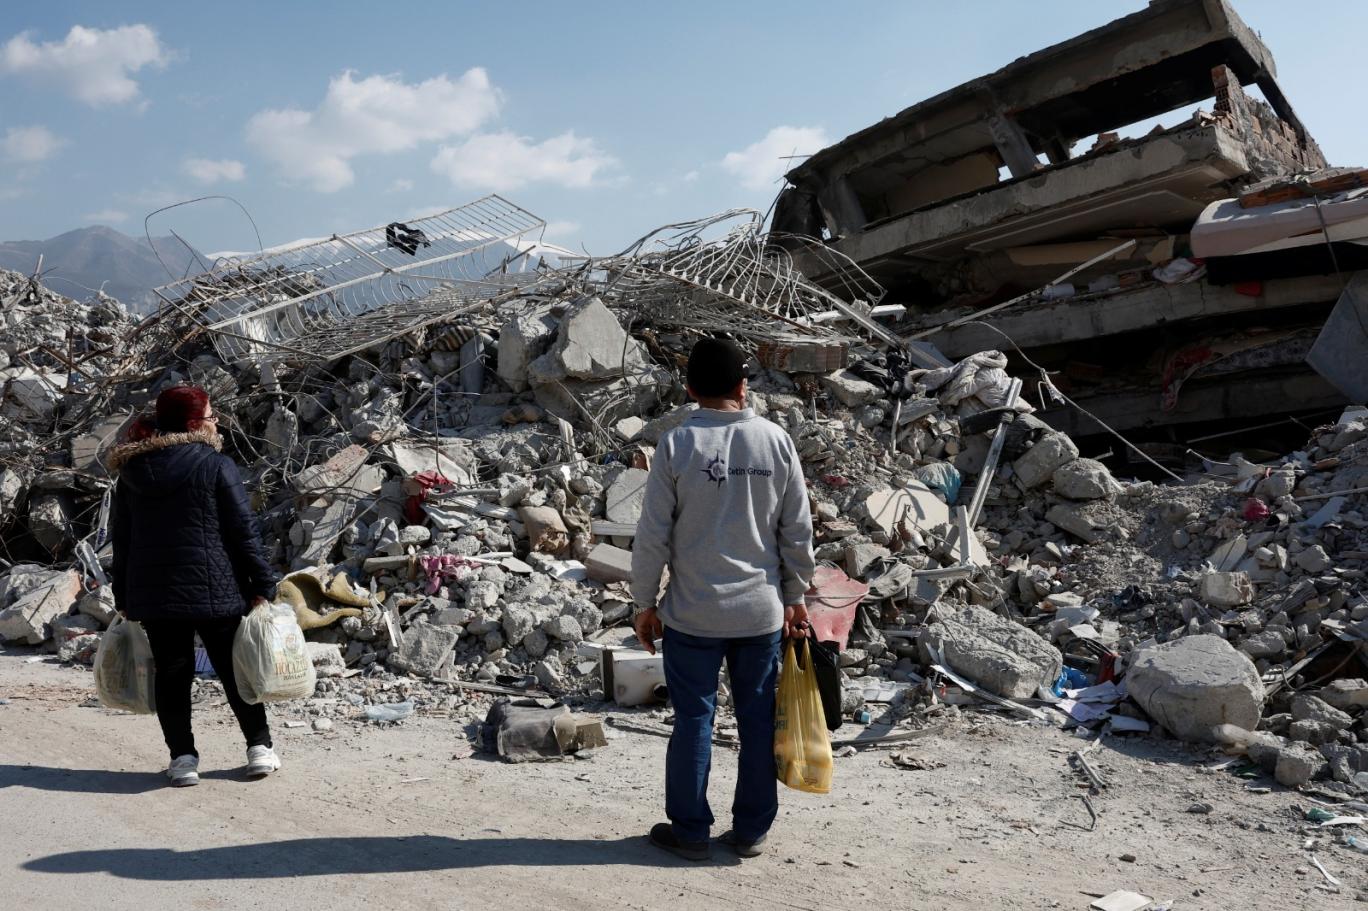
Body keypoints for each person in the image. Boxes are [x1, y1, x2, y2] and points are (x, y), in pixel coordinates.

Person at [631, 337, 816, 861]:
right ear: (743, 385)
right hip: (760, 614)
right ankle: (751, 830)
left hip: (692, 614)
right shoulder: (775, 441)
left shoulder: (676, 445)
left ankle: (690, 832)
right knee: (758, 720)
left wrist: (644, 602)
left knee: (694, 719)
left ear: (690, 389)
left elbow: (652, 536)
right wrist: (796, 595)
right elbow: (796, 531)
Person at [107, 385, 282, 787]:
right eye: (210, 414)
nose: (215, 419)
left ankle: (182, 760)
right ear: (192, 423)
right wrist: (263, 582)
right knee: (235, 669)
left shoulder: (132, 473)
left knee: (172, 673)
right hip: (216, 589)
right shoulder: (215, 464)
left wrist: (124, 596)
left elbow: (124, 542)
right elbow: (243, 531)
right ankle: (259, 748)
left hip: (155, 593)